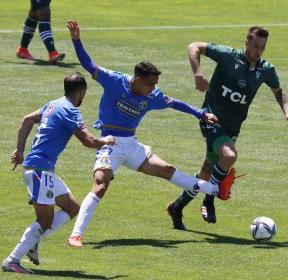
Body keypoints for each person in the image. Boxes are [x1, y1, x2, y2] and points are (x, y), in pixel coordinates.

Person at [65, 20, 234, 247]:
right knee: (100, 184)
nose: (154, 89)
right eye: (151, 84)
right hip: (109, 143)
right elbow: (88, 64)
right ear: (136, 79)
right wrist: (76, 39)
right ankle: (76, 234)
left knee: (168, 170)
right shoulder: (115, 81)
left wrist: (200, 114)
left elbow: (175, 103)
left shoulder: (152, 96)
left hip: (131, 146)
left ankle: (216, 189)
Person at [167, 26, 288, 230]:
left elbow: (278, 90)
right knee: (230, 156)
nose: (258, 51)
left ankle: (177, 206)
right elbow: (193, 46)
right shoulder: (228, 56)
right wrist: (198, 73)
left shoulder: (265, 70)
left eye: (262, 47)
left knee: (207, 170)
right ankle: (209, 199)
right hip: (211, 118)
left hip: (233, 127)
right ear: (246, 42)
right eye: (255, 45)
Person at [1, 72, 116, 274]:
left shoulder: (53, 104)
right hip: (40, 171)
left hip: (41, 170)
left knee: (72, 208)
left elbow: (27, 119)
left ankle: (32, 243)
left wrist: (19, 150)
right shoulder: (71, 111)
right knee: (44, 220)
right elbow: (88, 141)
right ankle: (12, 260)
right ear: (82, 91)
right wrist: (105, 140)